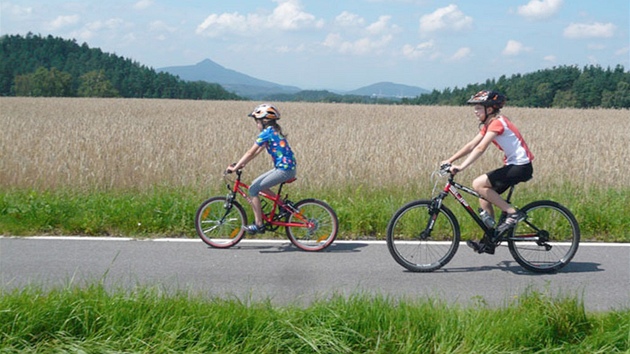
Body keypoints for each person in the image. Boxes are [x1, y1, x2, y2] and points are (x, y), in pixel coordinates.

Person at [441, 90, 534, 254]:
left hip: (521, 166)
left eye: (478, 108)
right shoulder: (490, 124)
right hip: (514, 166)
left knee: (478, 184)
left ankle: (513, 213)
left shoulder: (497, 123)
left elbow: (480, 147)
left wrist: (461, 167)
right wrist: (450, 160)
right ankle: (490, 240)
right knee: (483, 197)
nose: (475, 112)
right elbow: (471, 145)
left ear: (489, 109)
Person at [226, 103, 297, 234]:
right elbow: (257, 151)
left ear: (264, 121)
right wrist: (242, 164)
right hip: (286, 168)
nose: (256, 124)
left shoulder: (266, 133)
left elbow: (250, 152)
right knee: (259, 185)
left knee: (253, 189)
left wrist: (235, 168)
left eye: (256, 121)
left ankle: (259, 224)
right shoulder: (273, 131)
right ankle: (284, 207)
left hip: (284, 170)